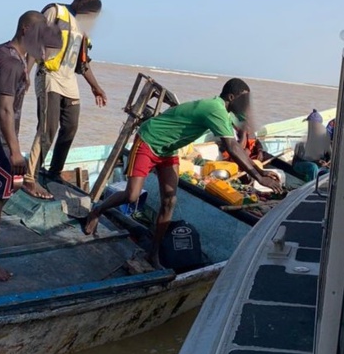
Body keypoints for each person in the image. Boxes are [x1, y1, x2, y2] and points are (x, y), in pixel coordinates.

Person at [83, 78, 283, 268]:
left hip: (168, 150)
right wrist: (259, 178)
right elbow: (232, 147)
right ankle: (97, 210)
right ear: (231, 98)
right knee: (131, 195)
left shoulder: (226, 112)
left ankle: (153, 253)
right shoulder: (215, 108)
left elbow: (240, 140)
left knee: (170, 201)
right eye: (244, 99)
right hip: (149, 141)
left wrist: (260, 169)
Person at [0, 11, 62, 281]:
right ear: (27, 30)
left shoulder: (8, 53)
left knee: (8, 189)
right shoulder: (9, 63)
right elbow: (4, 110)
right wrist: (16, 151)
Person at [22, 0, 109, 200]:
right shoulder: (56, 12)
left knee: (70, 126)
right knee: (47, 128)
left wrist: (95, 87)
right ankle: (29, 178)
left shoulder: (83, 26)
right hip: (49, 75)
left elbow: (82, 62)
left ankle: (54, 172)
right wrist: (26, 71)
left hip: (69, 80)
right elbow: (35, 41)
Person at [292, 109, 331, 181]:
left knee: (329, 171)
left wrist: (328, 163)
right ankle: (311, 188)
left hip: (318, 166)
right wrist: (316, 161)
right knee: (313, 167)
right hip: (300, 164)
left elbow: (330, 155)